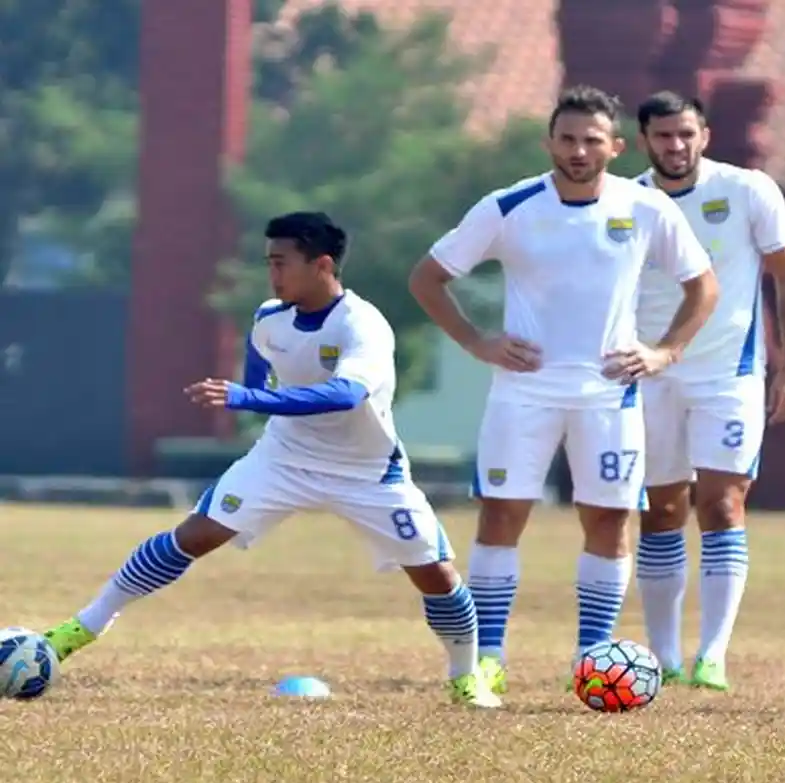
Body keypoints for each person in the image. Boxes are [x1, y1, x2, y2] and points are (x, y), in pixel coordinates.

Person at [41, 212, 501, 708]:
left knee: (436, 575)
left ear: (322, 265)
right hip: (285, 458)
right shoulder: (268, 318)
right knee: (193, 535)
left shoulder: (362, 324)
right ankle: (77, 630)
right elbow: (260, 382)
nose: (273, 275)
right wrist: (252, 396)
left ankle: (463, 677)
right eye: (269, 263)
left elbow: (345, 394)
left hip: (367, 471)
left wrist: (248, 399)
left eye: (281, 263)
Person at [407, 85, 718, 694]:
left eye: (592, 140)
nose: (579, 151)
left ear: (616, 147)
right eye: (568, 139)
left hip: (610, 395)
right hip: (523, 392)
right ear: (549, 142)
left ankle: (592, 658)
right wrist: (478, 342)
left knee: (609, 521)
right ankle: (488, 657)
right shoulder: (509, 205)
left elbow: (702, 287)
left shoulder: (646, 208)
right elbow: (428, 278)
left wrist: (664, 352)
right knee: (502, 514)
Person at [631, 91, 785, 690]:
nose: (675, 146)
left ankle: (713, 654)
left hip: (727, 375)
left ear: (704, 135)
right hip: (650, 374)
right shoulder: (628, 199)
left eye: (685, 134)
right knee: (660, 510)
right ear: (644, 141)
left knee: (722, 503)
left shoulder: (746, 190)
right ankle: (663, 655)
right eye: (663, 136)